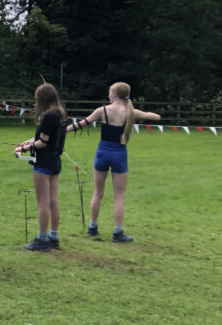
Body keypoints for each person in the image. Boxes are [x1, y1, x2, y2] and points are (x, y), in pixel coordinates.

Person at [67, 81, 160, 242]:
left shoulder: (103, 110)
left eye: (110, 93)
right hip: (119, 153)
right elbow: (152, 116)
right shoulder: (130, 111)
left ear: (115, 94)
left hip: (102, 152)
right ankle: (117, 232)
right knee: (119, 196)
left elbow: (82, 124)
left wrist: (62, 130)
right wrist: (154, 115)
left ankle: (92, 226)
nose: (108, 95)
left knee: (98, 192)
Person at [15, 83, 67, 251]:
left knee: (42, 203)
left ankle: (42, 240)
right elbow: (50, 139)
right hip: (55, 162)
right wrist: (28, 142)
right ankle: (54, 237)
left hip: (43, 162)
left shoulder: (49, 116)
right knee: (53, 201)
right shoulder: (60, 114)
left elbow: (42, 143)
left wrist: (23, 149)